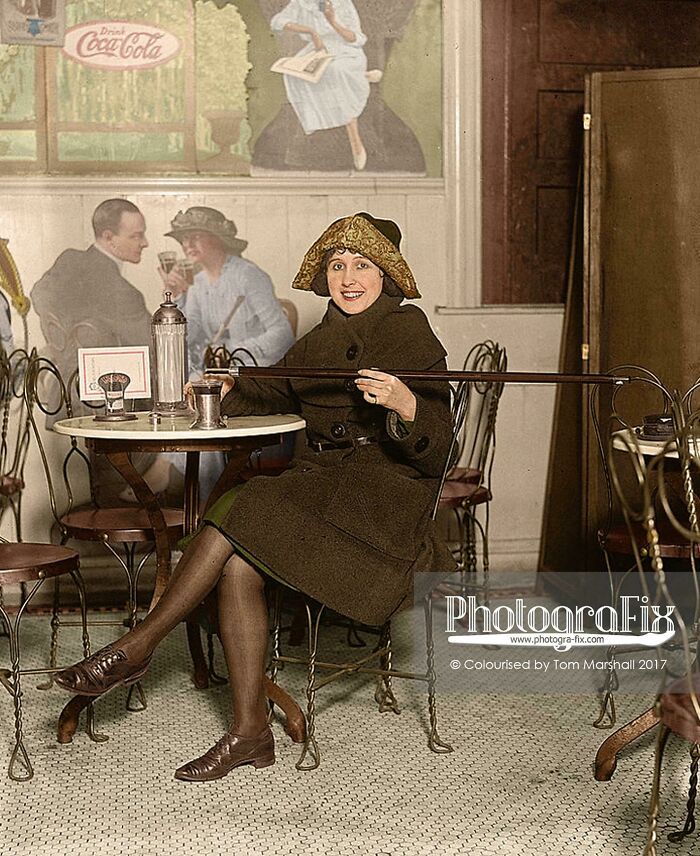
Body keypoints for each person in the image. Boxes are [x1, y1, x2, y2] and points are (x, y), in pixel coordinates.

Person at [55, 212, 456, 781]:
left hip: (380, 510)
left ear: (385, 275)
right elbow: (275, 384)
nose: (348, 278)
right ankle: (250, 734)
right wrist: (231, 385)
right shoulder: (322, 336)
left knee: (240, 509)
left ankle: (139, 645)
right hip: (322, 491)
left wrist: (406, 405)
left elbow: (440, 448)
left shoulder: (408, 329)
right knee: (239, 565)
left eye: (362, 266)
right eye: (337, 265)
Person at [31, 198, 152, 399]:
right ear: (109, 237)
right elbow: (155, 350)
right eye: (136, 236)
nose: (145, 243)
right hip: (106, 404)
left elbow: (38, 294)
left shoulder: (69, 260)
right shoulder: (123, 293)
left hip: (63, 393)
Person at [160, 206, 294, 375]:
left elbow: (283, 334)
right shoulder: (197, 282)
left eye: (196, 236)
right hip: (218, 370)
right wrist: (175, 297)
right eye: (184, 239)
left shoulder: (248, 275)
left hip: (256, 369)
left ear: (218, 239)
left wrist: (231, 351)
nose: (188, 245)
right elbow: (188, 336)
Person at [270, 0, 376, 170]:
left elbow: (356, 38)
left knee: (335, 71)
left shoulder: (344, 4)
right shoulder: (302, 3)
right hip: (318, 49)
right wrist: (311, 31)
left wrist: (332, 21)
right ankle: (360, 78)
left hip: (347, 50)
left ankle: (355, 141)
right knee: (294, 76)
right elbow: (277, 21)